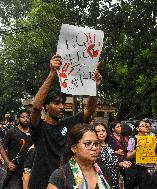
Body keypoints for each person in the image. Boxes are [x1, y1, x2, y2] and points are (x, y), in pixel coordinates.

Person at [29, 55, 102, 189]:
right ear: (46, 106)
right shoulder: (39, 127)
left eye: (63, 103)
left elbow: (89, 110)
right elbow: (35, 107)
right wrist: (52, 73)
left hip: (67, 182)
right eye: (56, 103)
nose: (61, 107)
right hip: (41, 183)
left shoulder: (69, 124)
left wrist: (94, 87)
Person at [48, 123, 110, 189]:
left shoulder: (102, 171)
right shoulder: (60, 176)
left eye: (96, 143)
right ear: (74, 148)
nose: (94, 148)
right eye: (88, 143)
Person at [0, 109, 33, 189]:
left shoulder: (33, 132)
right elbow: (2, 148)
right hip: (15, 170)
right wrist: (8, 163)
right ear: (18, 119)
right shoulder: (12, 132)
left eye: (27, 117)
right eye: (23, 117)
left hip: (29, 170)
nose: (26, 119)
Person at [94, 122, 131, 189]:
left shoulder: (108, 146)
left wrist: (122, 163)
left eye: (103, 131)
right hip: (101, 182)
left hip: (114, 181)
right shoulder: (93, 148)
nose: (101, 133)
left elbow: (113, 163)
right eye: (98, 131)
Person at [125, 120, 151, 189]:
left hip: (146, 169)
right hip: (135, 169)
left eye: (146, 125)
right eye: (142, 125)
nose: (145, 126)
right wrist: (137, 150)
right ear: (137, 128)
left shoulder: (150, 139)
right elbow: (128, 156)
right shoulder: (133, 139)